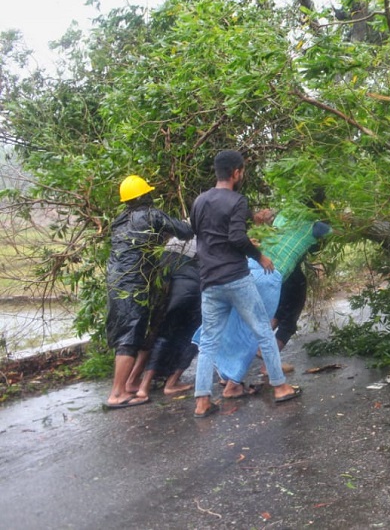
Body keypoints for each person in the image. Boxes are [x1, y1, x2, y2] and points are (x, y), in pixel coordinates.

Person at [189, 150, 300, 418]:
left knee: (209, 343)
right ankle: (280, 387)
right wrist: (259, 256)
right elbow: (237, 237)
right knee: (263, 330)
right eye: (243, 170)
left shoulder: (200, 201)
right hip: (236, 278)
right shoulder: (236, 201)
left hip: (210, 281)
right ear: (236, 172)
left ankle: (202, 402)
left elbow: (200, 233)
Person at [214, 213, 331, 397]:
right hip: (270, 273)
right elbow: (342, 233)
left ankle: (227, 379)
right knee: (261, 330)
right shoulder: (316, 226)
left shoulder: (283, 215)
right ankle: (276, 386)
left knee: (242, 326)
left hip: (249, 268)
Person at [105, 174, 193, 409]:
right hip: (135, 285)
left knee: (129, 334)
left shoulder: (119, 220)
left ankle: (129, 386)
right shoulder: (152, 215)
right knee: (130, 338)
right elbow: (185, 231)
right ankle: (117, 394)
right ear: (145, 196)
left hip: (117, 283)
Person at [133, 237, 201, 399]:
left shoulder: (174, 238)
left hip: (169, 291)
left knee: (163, 335)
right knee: (194, 337)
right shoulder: (209, 230)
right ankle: (171, 383)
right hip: (192, 285)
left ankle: (143, 386)